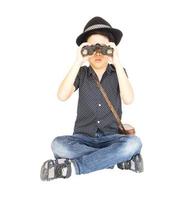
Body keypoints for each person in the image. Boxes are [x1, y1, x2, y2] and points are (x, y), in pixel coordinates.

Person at [40, 16, 143, 181]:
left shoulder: (118, 72)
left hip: (112, 137)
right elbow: (62, 95)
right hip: (83, 137)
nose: (97, 52)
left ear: (110, 48)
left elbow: (129, 99)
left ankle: (75, 166)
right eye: (92, 47)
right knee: (58, 144)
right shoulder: (81, 74)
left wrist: (117, 61)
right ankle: (115, 159)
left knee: (134, 143)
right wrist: (78, 61)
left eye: (102, 47)